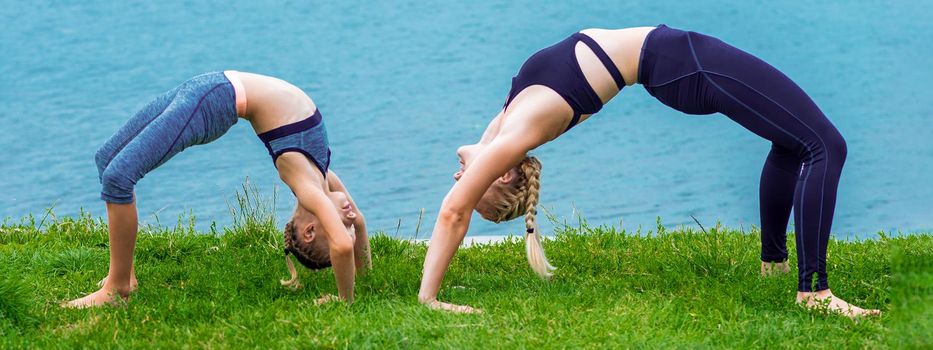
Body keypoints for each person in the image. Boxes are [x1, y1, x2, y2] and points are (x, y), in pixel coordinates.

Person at [417, 25, 880, 317]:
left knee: (790, 140)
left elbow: (473, 154)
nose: (459, 179)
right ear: (500, 175)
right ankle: (815, 293)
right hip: (687, 66)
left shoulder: (504, 125)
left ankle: (773, 264)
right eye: (474, 187)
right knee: (825, 146)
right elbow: (452, 214)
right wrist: (429, 298)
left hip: (679, 61)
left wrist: (475, 154)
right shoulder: (519, 132)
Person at [64, 71, 361, 308]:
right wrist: (365, 272)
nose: (347, 220)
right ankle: (126, 274)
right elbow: (357, 225)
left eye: (340, 225)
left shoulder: (308, 188)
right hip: (206, 87)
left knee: (118, 177)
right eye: (346, 225)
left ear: (310, 230)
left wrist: (343, 301)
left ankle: (118, 289)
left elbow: (344, 246)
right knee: (107, 159)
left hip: (213, 103)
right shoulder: (323, 175)